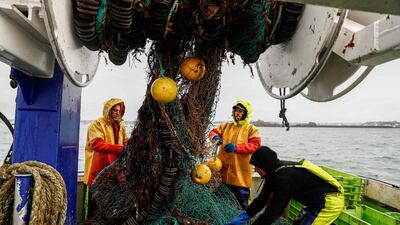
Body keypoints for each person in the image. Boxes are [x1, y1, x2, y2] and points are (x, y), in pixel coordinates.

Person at [225, 146, 345, 225]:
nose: (255, 170)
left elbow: (274, 212)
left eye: (257, 166)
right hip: (314, 203)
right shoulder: (273, 173)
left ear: (265, 164)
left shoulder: (283, 178)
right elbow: (263, 198)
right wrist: (246, 214)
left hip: (329, 201)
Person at [209, 100, 261, 209]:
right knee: (216, 204)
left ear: (246, 113)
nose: (237, 113)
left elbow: (255, 146)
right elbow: (212, 132)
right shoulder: (225, 126)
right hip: (222, 176)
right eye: (236, 110)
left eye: (241, 111)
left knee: (242, 206)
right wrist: (215, 138)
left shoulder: (252, 129)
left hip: (241, 178)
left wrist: (237, 148)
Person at [83, 98, 128, 218]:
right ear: (108, 110)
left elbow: (126, 143)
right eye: (115, 110)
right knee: (94, 205)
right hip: (96, 171)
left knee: (110, 205)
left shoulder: (121, 126)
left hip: (114, 172)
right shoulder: (97, 124)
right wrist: (121, 149)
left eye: (120, 111)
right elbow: (97, 144)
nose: (117, 113)